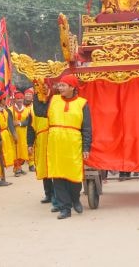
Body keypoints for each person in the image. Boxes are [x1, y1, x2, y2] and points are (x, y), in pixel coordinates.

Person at [33, 74, 92, 219]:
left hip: (73, 144)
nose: (60, 88)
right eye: (59, 85)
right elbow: (39, 111)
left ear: (72, 87)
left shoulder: (82, 103)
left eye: (63, 85)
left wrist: (86, 147)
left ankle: (75, 199)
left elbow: (87, 128)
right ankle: (65, 208)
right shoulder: (53, 100)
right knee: (58, 176)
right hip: (55, 145)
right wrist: (36, 92)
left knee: (74, 176)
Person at [29, 80, 58, 208]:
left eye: (45, 88)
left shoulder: (55, 103)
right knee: (44, 168)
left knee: (55, 167)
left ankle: (57, 194)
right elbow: (30, 128)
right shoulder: (32, 109)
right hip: (41, 139)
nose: (42, 91)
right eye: (40, 89)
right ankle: (48, 193)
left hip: (54, 138)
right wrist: (29, 143)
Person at [12, 92, 30, 176]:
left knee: (22, 151)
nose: (19, 100)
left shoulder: (27, 110)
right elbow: (9, 122)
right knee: (16, 150)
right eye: (18, 98)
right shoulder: (10, 109)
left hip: (23, 133)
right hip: (14, 133)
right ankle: (17, 168)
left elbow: (27, 121)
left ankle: (20, 166)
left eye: (21, 98)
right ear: (15, 99)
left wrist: (19, 123)